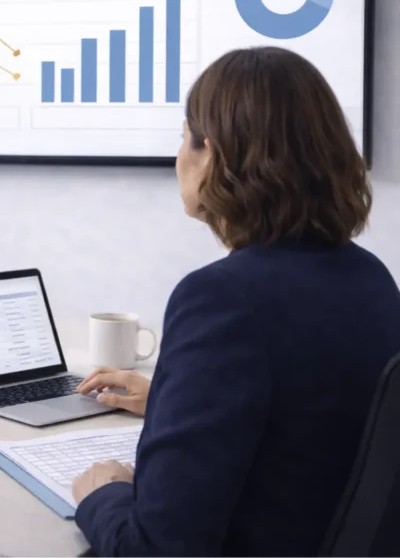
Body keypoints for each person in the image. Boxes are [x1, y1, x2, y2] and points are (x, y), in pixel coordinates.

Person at [70, 46, 400, 556]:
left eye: (184, 138)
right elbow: (305, 423)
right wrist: (169, 401)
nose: (178, 157)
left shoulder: (222, 299)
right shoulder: (370, 277)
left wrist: (103, 495)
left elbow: (157, 550)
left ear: (215, 155)